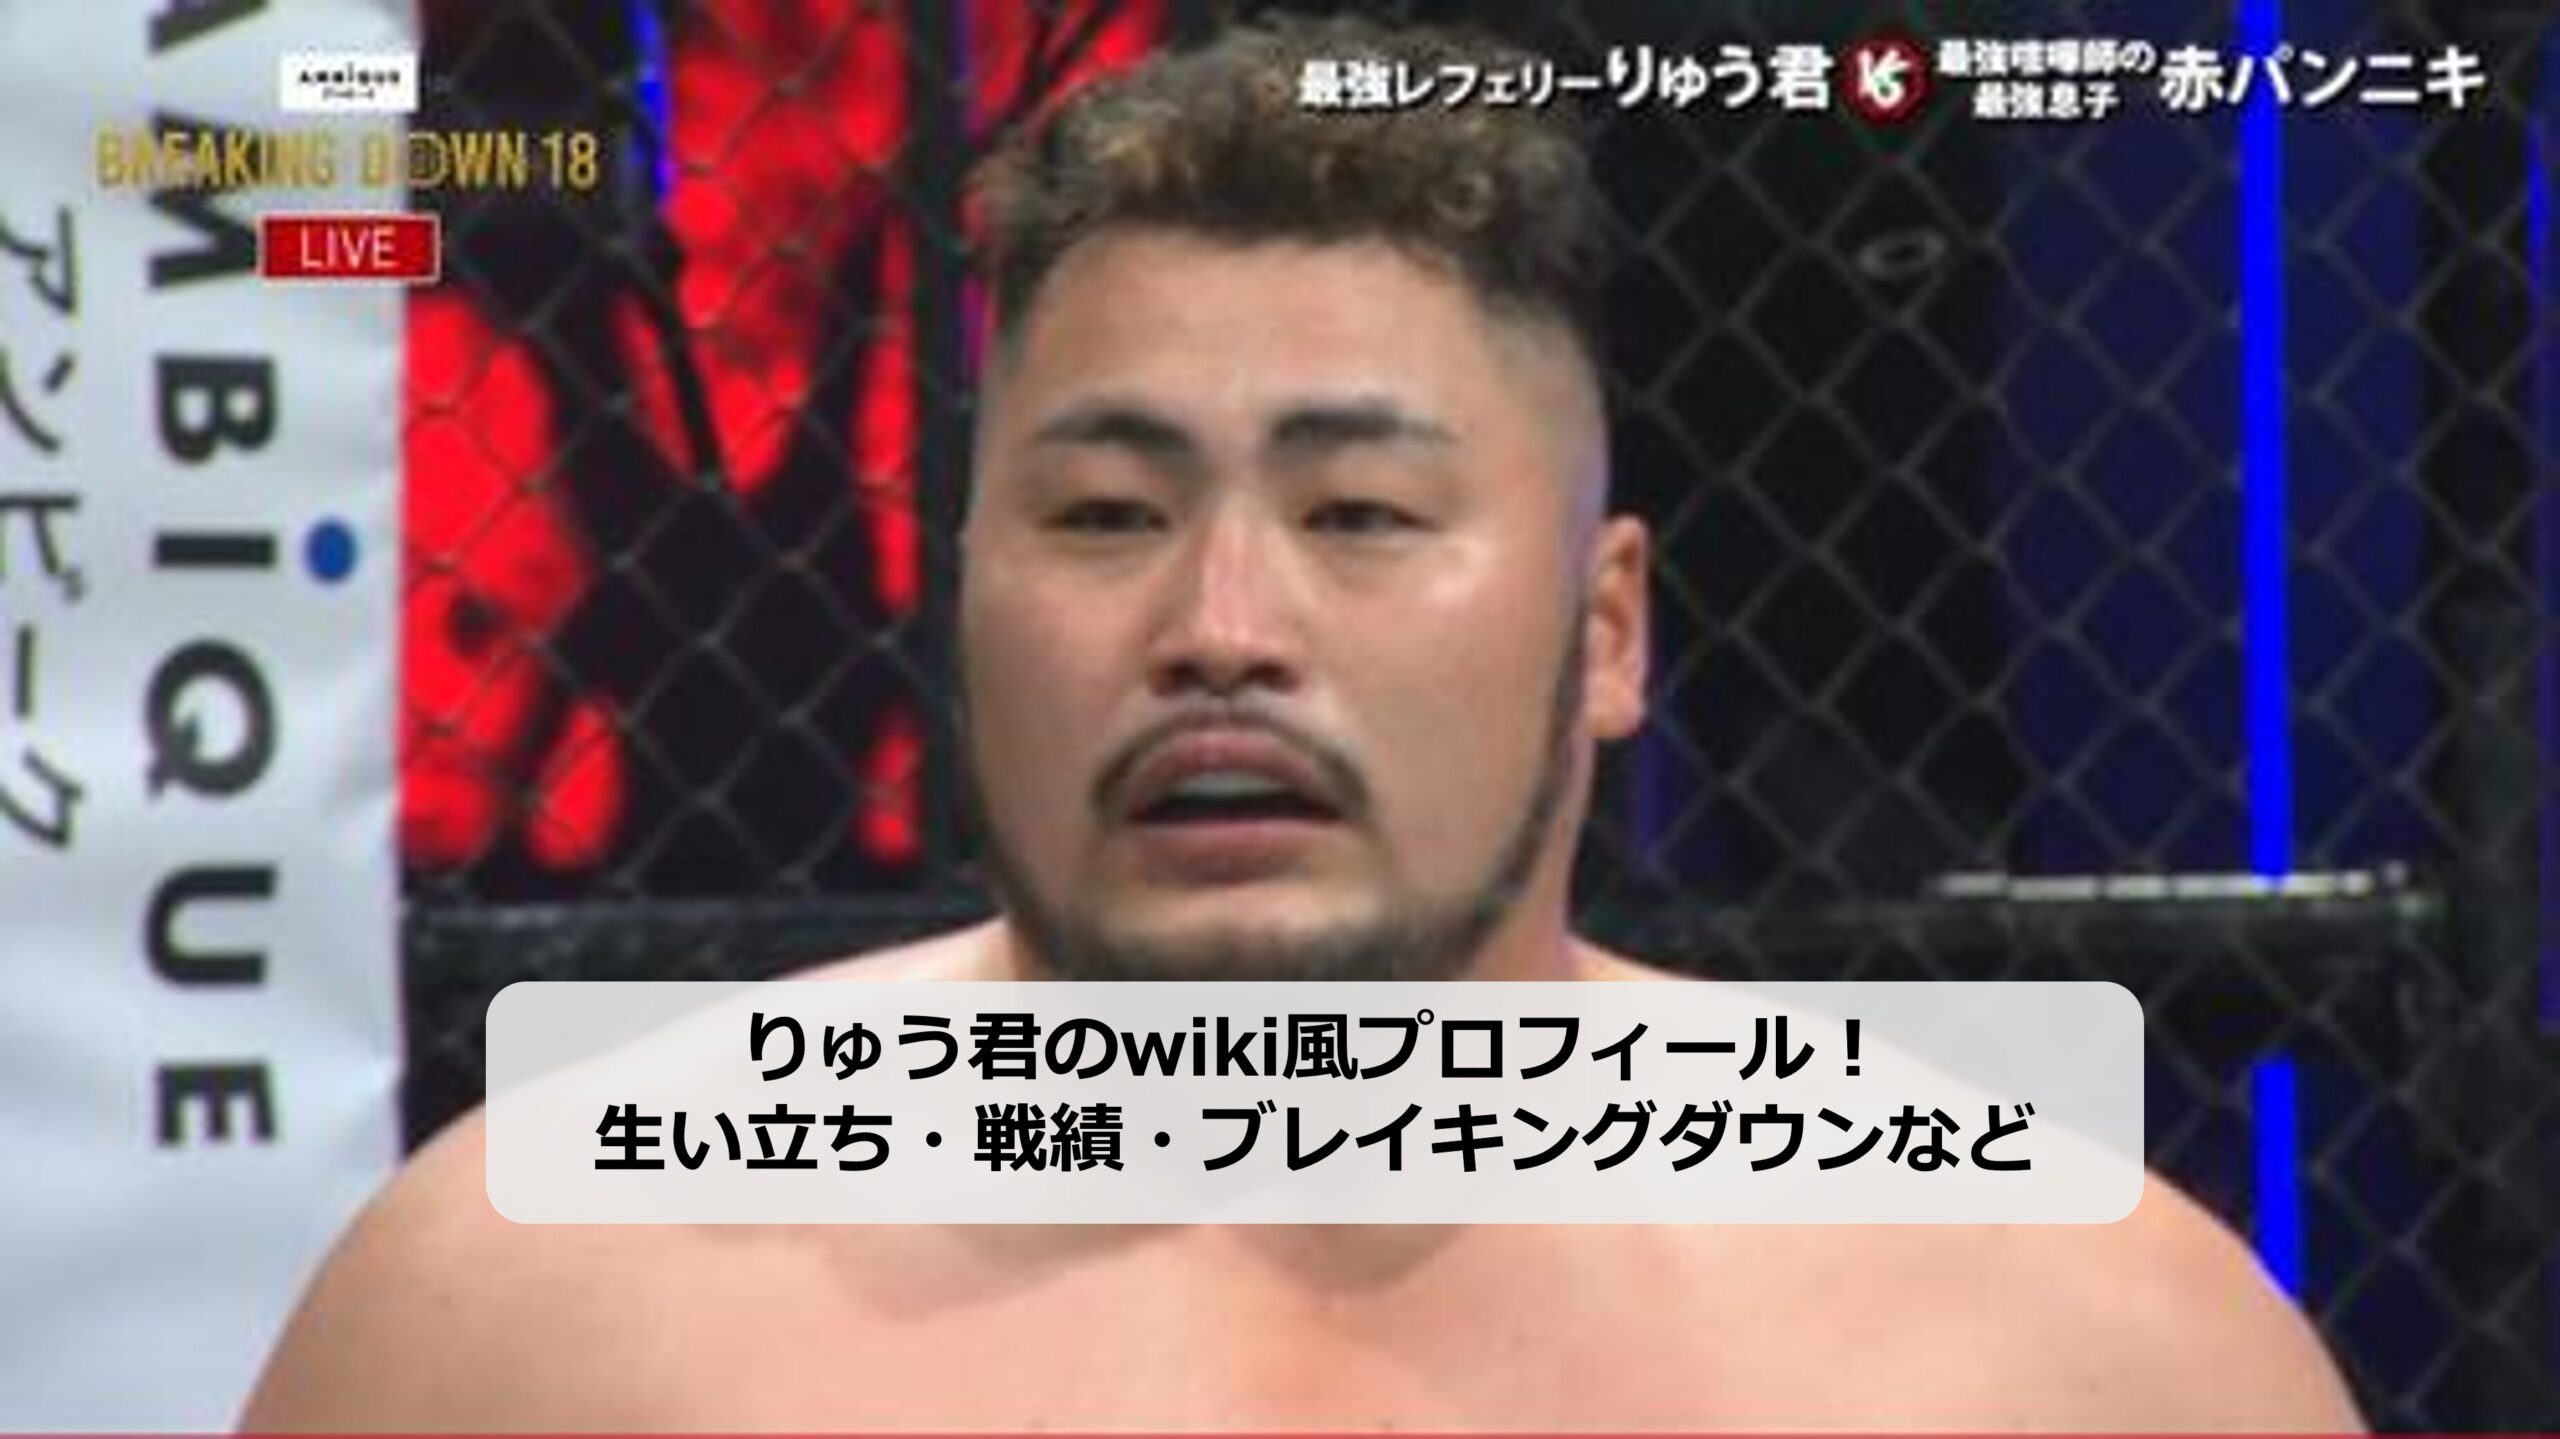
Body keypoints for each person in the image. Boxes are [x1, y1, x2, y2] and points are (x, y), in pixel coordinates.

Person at [243, 14, 2364, 1431]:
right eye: (1105, 515)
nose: (1220, 630)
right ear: (968, 593)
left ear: (1605, 631)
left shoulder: (2074, 1344)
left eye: (1358, 516)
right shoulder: (517, 1308)